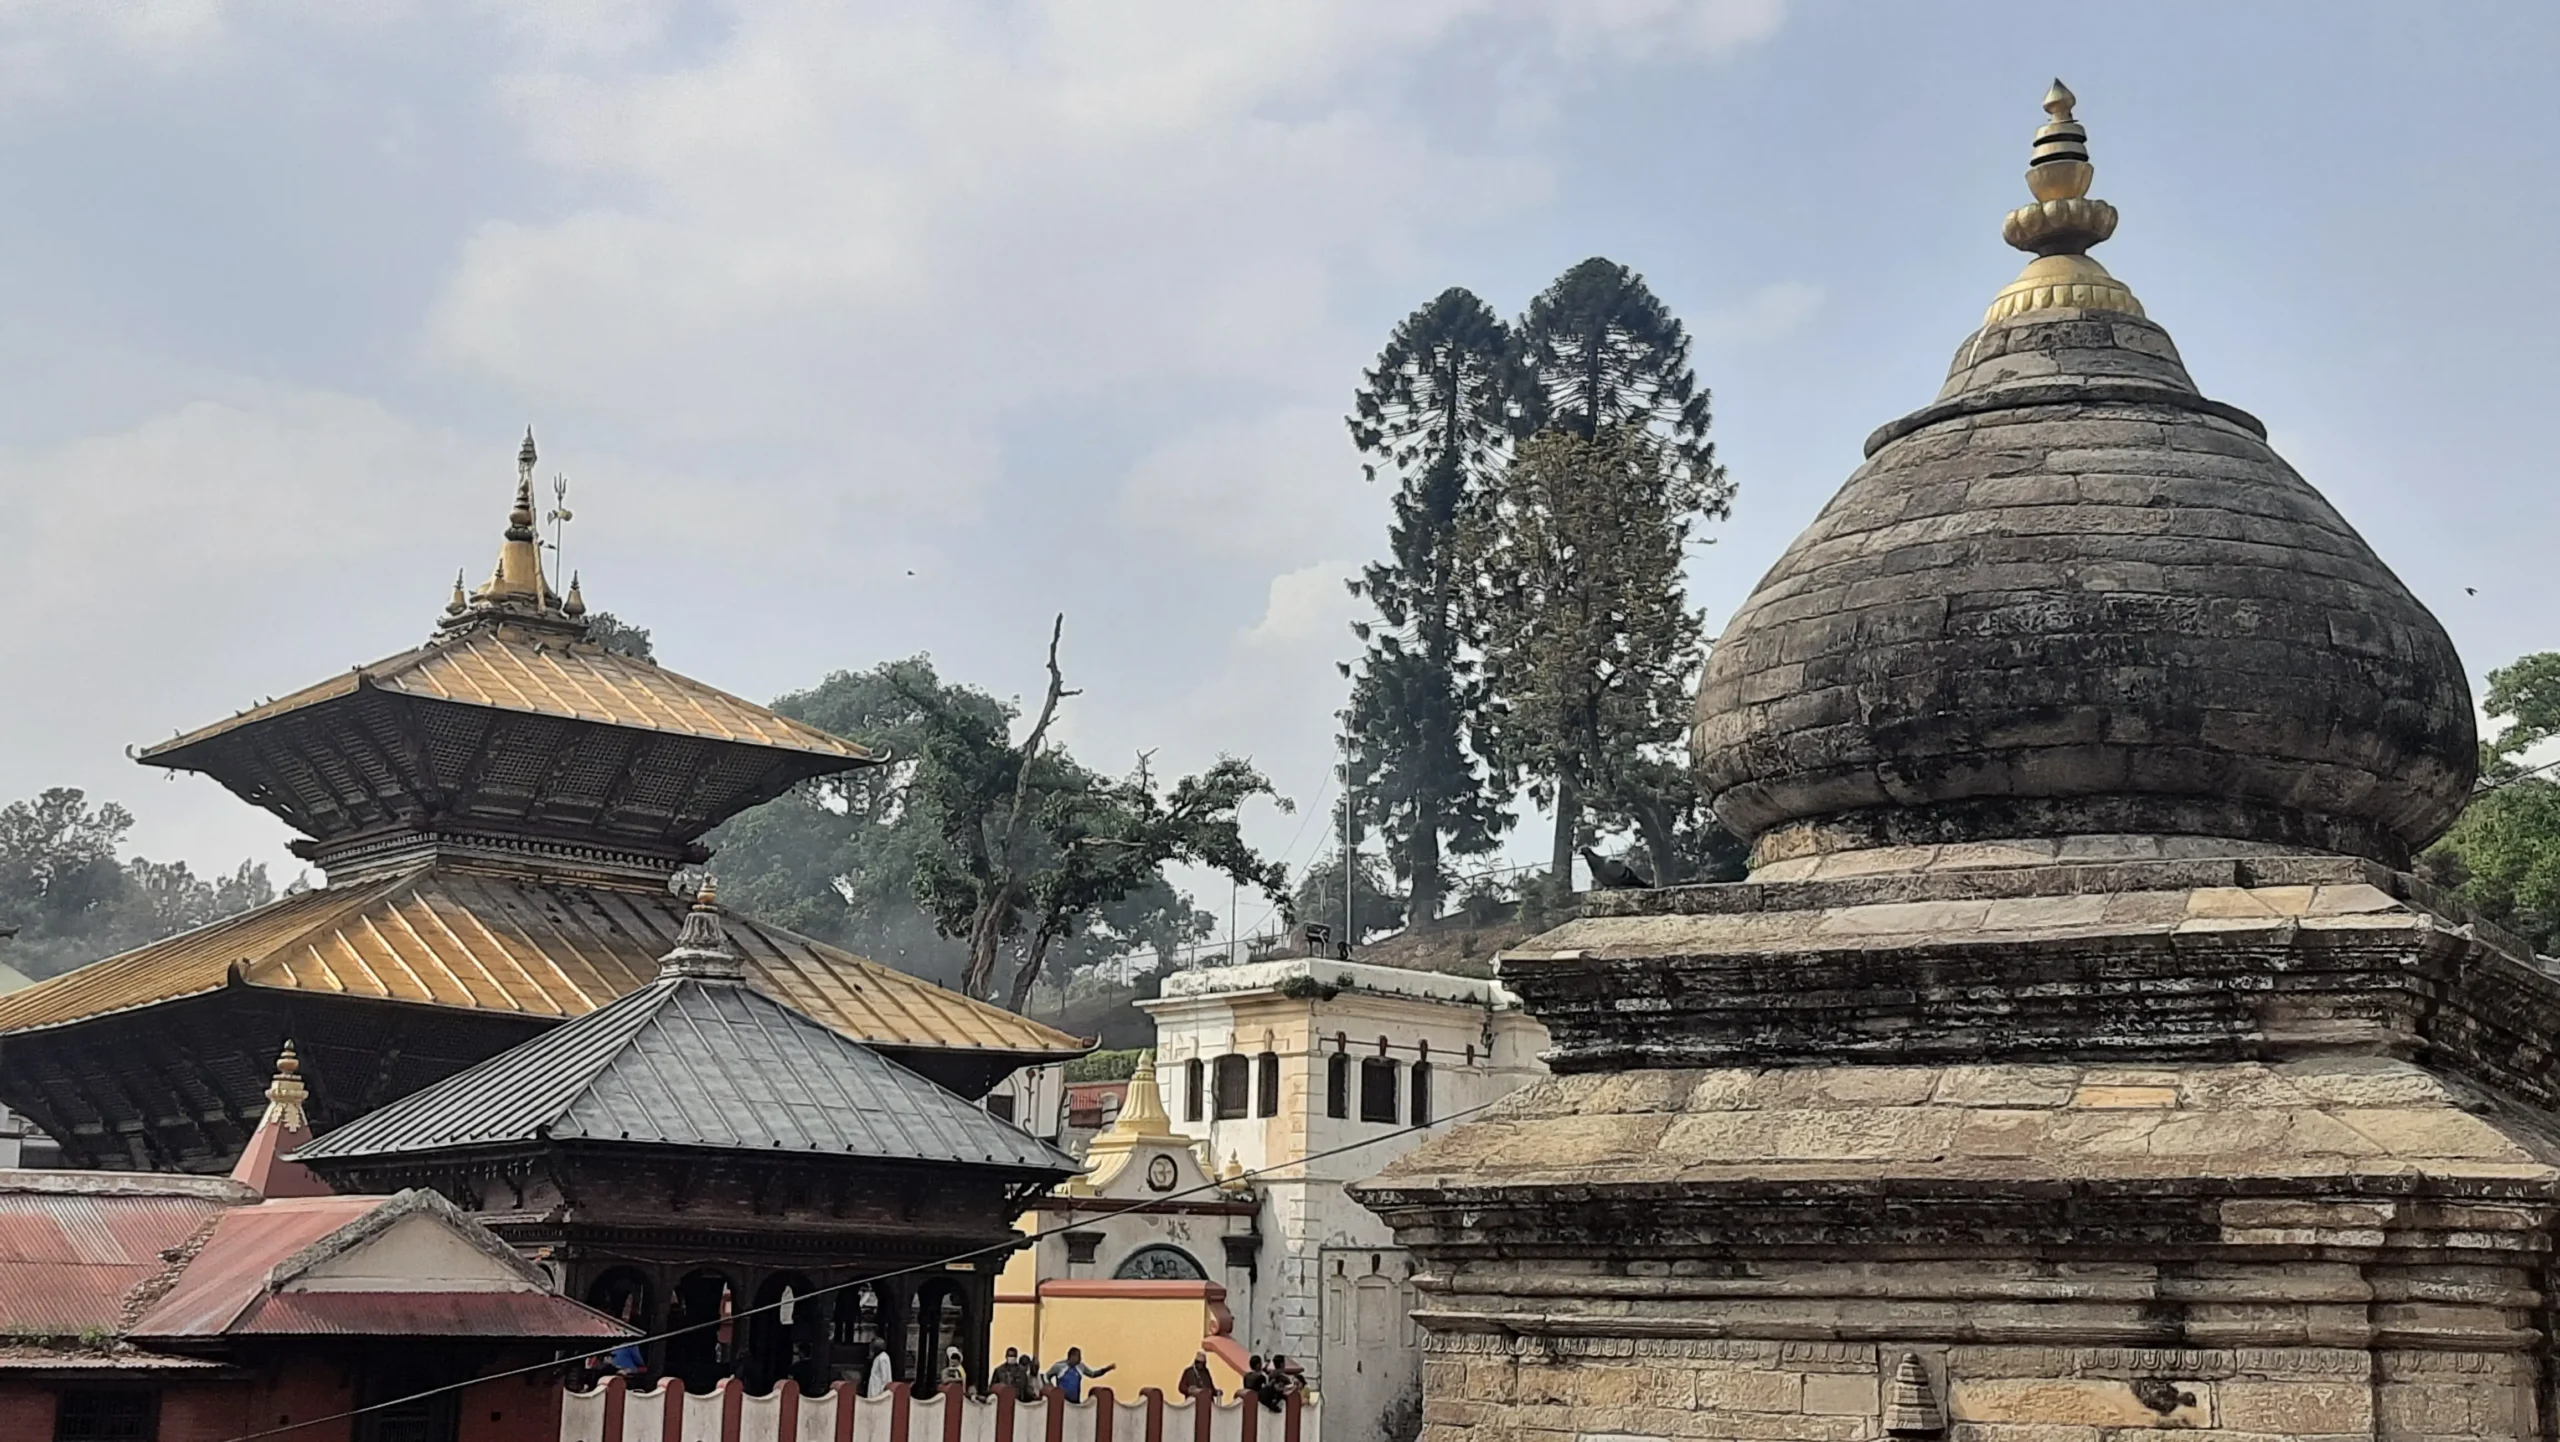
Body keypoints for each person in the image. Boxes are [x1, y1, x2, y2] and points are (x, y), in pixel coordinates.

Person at [1044, 1346, 1115, 1404]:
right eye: (1078, 1356)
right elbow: (1046, 1376)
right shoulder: (1059, 1366)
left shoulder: (1081, 1367)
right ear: (1072, 1356)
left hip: (1075, 1402)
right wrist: (1052, 1388)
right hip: (1062, 1401)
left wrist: (1106, 1369)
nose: (1080, 1359)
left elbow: (1093, 1374)